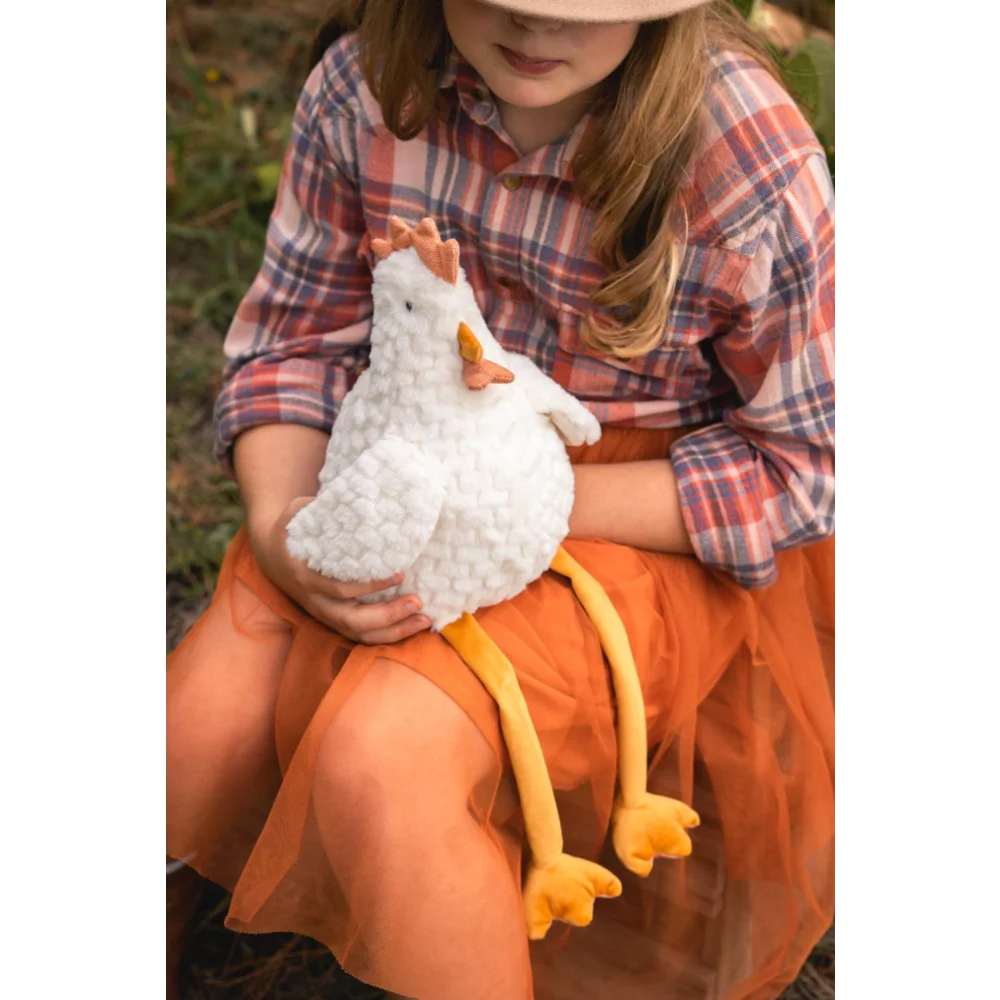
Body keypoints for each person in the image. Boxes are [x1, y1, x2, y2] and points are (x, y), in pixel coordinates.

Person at [164, 2, 838, 998]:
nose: (537, 28)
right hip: (396, 465)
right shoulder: (365, 90)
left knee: (379, 758)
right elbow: (292, 348)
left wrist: (517, 496)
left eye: (581, 6)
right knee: (195, 731)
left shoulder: (744, 159)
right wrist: (279, 530)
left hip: (629, 511)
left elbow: (801, 466)